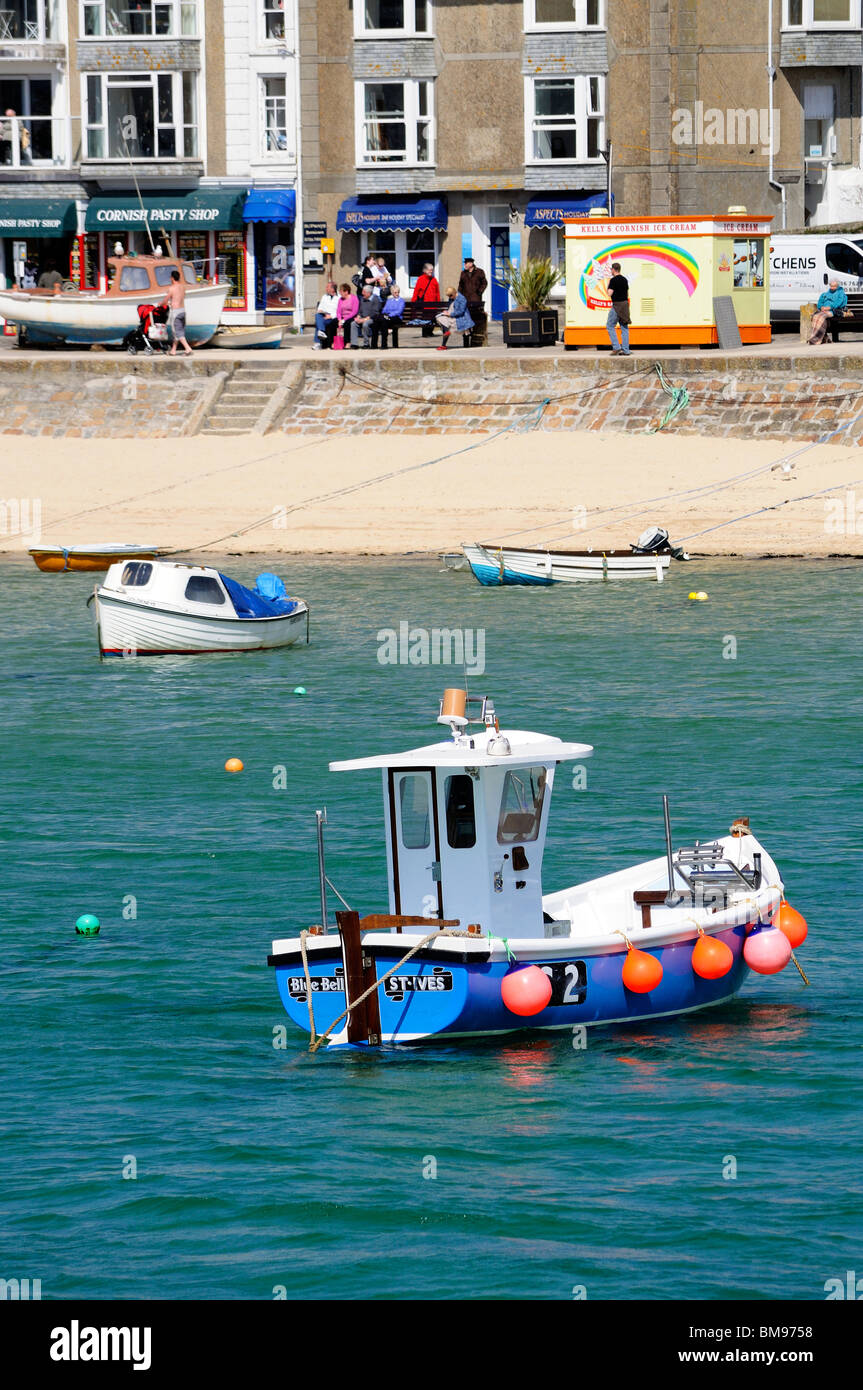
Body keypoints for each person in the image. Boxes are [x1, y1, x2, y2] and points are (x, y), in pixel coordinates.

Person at [808, 279, 847, 345]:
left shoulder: (841, 293)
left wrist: (829, 307)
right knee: (815, 316)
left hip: (833, 311)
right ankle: (816, 337)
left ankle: (816, 339)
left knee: (821, 317)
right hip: (824, 310)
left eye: (834, 286)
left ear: (837, 286)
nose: (832, 288)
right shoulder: (825, 294)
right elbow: (820, 302)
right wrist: (821, 307)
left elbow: (839, 303)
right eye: (831, 286)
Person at [434, 286, 474, 350]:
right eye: (448, 296)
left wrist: (450, 314)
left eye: (450, 296)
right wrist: (447, 312)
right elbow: (451, 307)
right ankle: (445, 337)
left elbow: (460, 312)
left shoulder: (462, 299)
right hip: (452, 316)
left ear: (454, 293)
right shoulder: (453, 298)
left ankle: (443, 344)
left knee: (446, 324)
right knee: (439, 318)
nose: (449, 297)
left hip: (460, 318)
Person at [606, 262, 631, 356]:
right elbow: (626, 293)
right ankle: (626, 350)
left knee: (609, 326)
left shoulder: (613, 280)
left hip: (617, 305)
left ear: (613, 269)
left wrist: (608, 284)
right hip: (625, 305)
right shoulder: (625, 279)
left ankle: (616, 347)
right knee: (624, 328)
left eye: (611, 270)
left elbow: (609, 293)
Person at [167, 268, 193, 356]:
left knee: (177, 332)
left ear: (172, 278)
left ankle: (188, 348)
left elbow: (166, 299)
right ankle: (173, 350)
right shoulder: (183, 287)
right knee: (179, 331)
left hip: (176, 312)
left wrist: (161, 304)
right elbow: (180, 298)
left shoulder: (172, 288)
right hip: (183, 311)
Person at [412, 262, 440, 337]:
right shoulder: (420, 279)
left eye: (432, 270)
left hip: (433, 304)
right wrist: (413, 302)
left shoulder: (434, 280)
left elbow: (437, 292)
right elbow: (416, 292)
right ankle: (425, 333)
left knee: (433, 319)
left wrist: (438, 302)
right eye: (429, 270)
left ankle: (430, 332)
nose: (431, 271)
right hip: (425, 304)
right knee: (425, 319)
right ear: (424, 270)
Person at [351, 283, 383, 348]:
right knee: (353, 323)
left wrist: (364, 319)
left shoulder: (375, 299)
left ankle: (366, 343)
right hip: (363, 318)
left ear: (369, 293)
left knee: (365, 324)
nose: (362, 293)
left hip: (372, 318)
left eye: (364, 292)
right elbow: (360, 311)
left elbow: (375, 313)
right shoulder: (362, 299)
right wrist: (358, 317)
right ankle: (354, 344)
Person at [312, 280, 339, 349]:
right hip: (324, 315)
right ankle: (321, 331)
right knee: (317, 315)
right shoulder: (324, 296)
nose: (326, 289)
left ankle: (318, 343)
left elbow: (340, 311)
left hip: (333, 317)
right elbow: (320, 307)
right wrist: (321, 311)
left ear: (332, 289)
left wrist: (331, 316)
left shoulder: (339, 297)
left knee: (319, 323)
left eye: (327, 287)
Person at [379, 282, 405, 349]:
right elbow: (384, 310)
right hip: (388, 318)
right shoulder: (389, 300)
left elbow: (399, 311)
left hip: (397, 318)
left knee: (385, 321)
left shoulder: (401, 301)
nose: (397, 294)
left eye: (398, 292)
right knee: (384, 321)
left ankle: (384, 344)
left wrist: (389, 315)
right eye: (395, 292)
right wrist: (387, 315)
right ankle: (384, 345)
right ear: (392, 293)